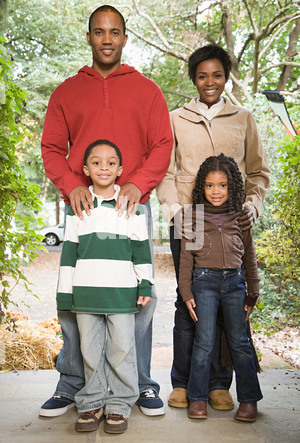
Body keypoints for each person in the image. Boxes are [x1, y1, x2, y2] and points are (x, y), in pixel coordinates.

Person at [40, 5, 173, 418]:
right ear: (89, 37)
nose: (108, 39)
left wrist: (138, 182)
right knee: (77, 296)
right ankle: (73, 384)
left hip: (132, 208)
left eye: (115, 31)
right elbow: (50, 149)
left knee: (140, 298)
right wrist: (71, 185)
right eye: (99, 31)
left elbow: (162, 145)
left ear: (125, 37)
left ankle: (140, 384)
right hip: (83, 210)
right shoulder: (66, 91)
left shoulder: (147, 89)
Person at [156, 44, 269, 410]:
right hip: (188, 224)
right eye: (202, 75)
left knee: (227, 305)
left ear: (226, 77)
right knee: (187, 298)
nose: (210, 82)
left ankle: (220, 384)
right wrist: (176, 213)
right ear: (193, 78)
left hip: (229, 225)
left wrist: (253, 204)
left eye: (217, 75)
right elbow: (166, 172)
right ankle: (183, 382)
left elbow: (257, 173)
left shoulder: (243, 119)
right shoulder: (176, 119)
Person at [56, 139, 153, 434]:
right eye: (96, 162)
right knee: (89, 349)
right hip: (86, 293)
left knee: (122, 348)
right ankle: (92, 402)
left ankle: (120, 404)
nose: (104, 167)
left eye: (111, 162)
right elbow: (69, 254)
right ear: (85, 169)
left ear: (120, 169)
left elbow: (142, 251)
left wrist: (145, 285)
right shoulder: (77, 210)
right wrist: (65, 292)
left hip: (122, 294)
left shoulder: (131, 209)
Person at [179, 154, 263, 421]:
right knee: (203, 342)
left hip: (236, 285)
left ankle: (249, 400)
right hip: (204, 284)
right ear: (201, 187)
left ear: (233, 186)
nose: (216, 191)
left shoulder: (241, 217)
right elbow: (185, 261)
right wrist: (187, 293)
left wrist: (253, 292)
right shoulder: (193, 217)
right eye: (210, 185)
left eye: (223, 185)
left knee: (240, 343)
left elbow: (249, 256)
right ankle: (198, 398)